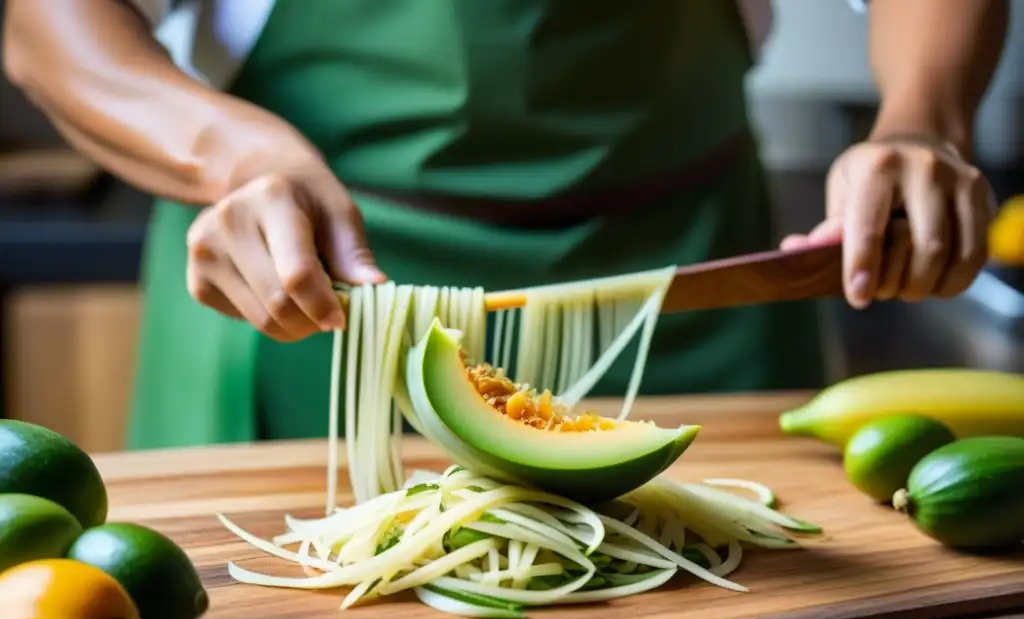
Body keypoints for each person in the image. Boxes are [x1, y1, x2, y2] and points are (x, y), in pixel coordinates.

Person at [3, 0, 1008, 450]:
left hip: (698, 291)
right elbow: (48, 26)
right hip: (310, 297)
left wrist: (924, 119)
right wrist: (234, 157)